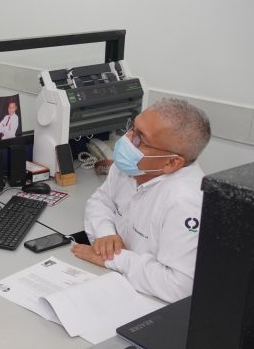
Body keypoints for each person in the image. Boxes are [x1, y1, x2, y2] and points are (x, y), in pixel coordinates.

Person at [72, 98, 211, 303]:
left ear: (172, 162)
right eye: (132, 128)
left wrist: (114, 259)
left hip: (152, 302)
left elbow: (178, 286)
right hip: (117, 282)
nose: (127, 140)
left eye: (140, 139)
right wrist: (105, 233)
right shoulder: (131, 165)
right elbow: (100, 201)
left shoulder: (186, 201)